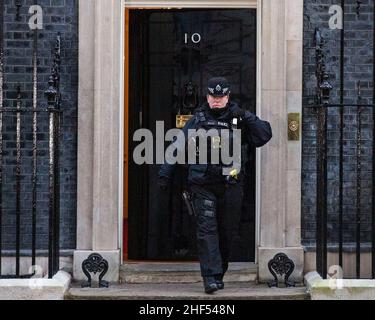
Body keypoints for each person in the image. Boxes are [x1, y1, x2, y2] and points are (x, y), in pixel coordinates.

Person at [158, 77, 272, 294]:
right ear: (207, 97)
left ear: (228, 97)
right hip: (203, 185)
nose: (217, 100)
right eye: (213, 96)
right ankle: (210, 277)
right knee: (206, 230)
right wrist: (165, 173)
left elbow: (264, 135)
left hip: (231, 184)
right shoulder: (197, 120)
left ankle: (218, 273)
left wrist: (247, 117)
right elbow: (177, 146)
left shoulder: (239, 119)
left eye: (221, 97)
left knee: (227, 231)